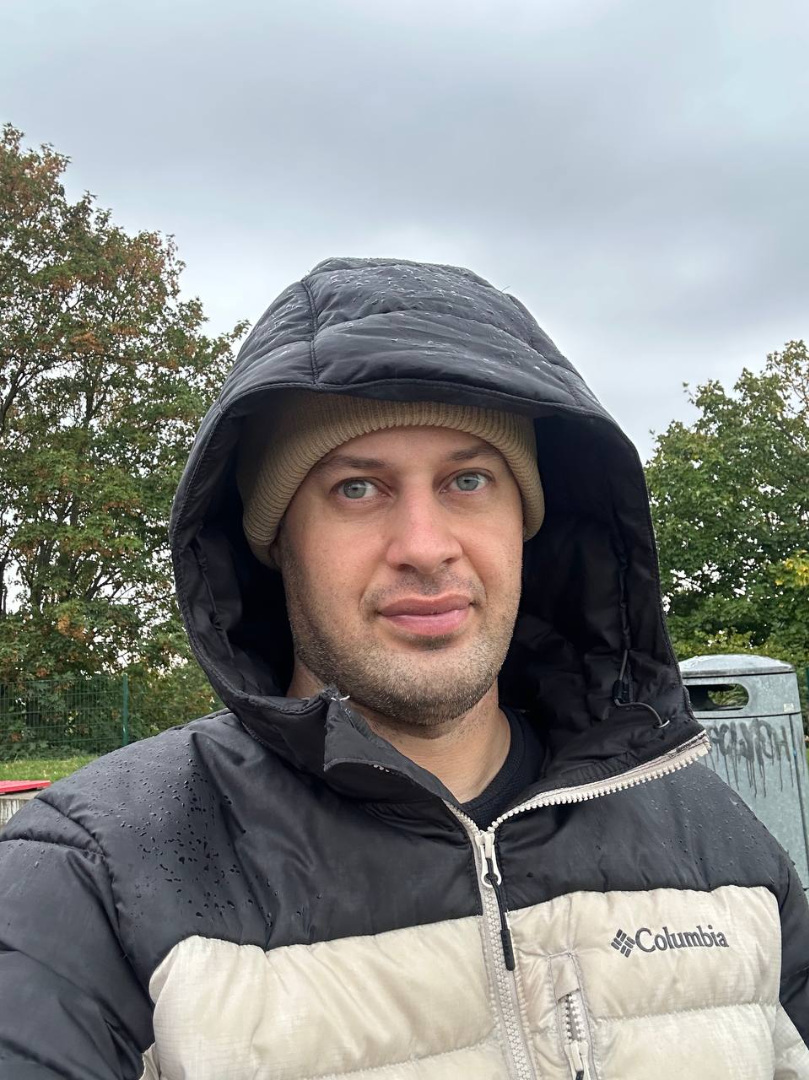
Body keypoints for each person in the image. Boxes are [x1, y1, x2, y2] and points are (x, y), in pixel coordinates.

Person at [0, 256, 807, 1079]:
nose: (424, 546)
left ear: (525, 522)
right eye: (357, 488)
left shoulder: (715, 841)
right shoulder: (92, 876)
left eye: (468, 480)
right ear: (276, 541)